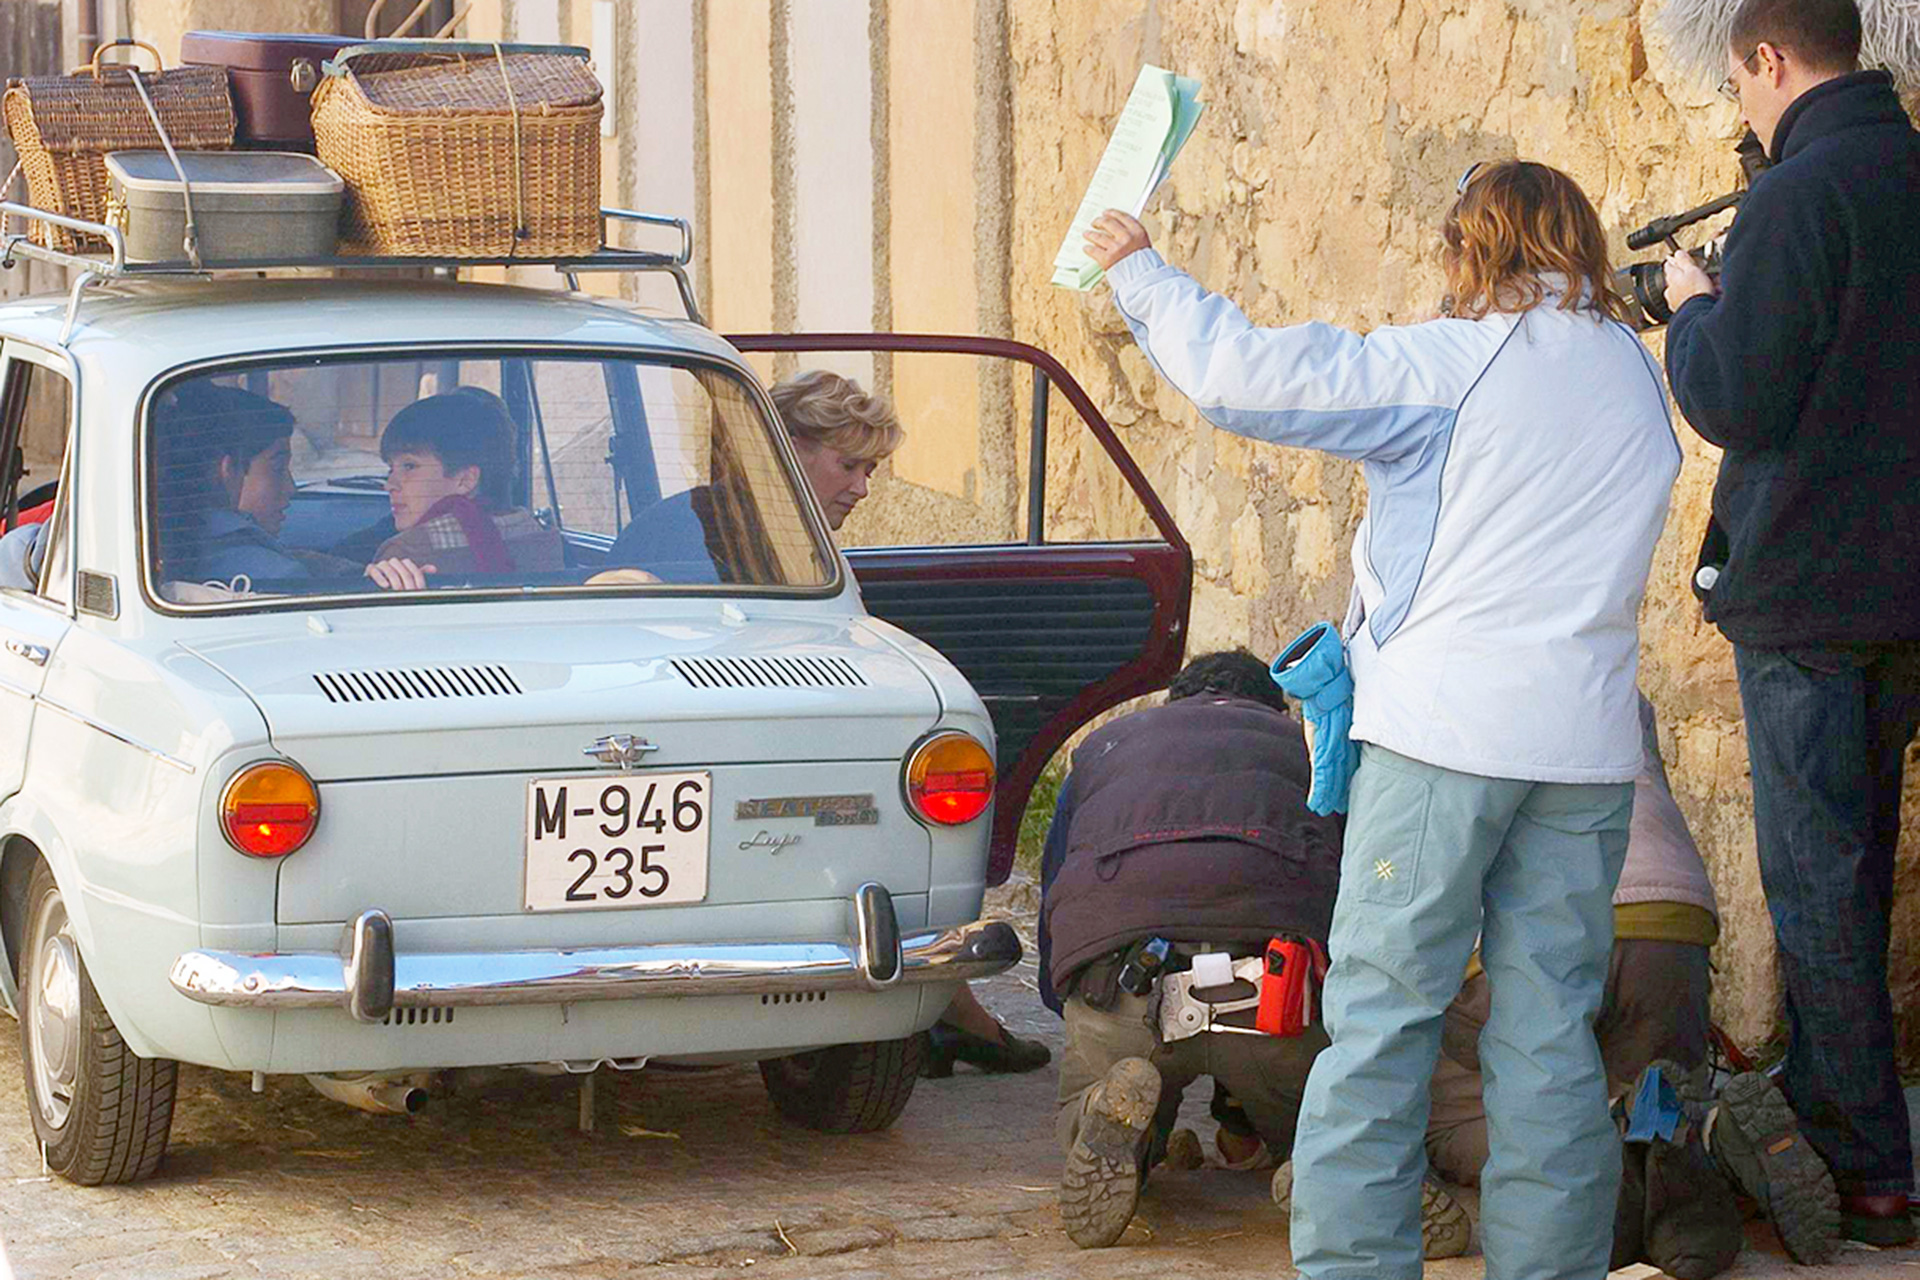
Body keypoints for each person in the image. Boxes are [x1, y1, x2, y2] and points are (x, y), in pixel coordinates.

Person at [1084, 160, 1678, 1280]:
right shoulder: (1633, 375)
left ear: (1475, 246)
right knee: (1549, 1031)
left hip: (1441, 739)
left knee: (1382, 1022)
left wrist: (1145, 275)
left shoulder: (1452, 361)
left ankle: (1356, 1261)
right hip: (1586, 747)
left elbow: (1254, 377)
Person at [1660, 0, 1920, 1249]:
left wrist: (1693, 304)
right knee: (1855, 866)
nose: (1744, 112)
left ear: (1768, 58)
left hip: (1809, 591)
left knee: (1817, 878)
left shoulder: (1797, 194)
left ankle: (1863, 1162)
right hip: (1903, 589)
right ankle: (1831, 1111)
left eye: (1741, 87)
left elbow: (1732, 394)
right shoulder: (1908, 166)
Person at [766, 369, 1047, 1074]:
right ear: (787, 448)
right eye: (848, 464)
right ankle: (950, 1011)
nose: (862, 488)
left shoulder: (797, 537)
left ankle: (948, 1008)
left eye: (871, 469)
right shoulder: (730, 528)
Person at [1423, 695, 1748, 1278]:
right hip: (1672, 926)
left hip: (1543, 934)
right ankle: (1703, 1138)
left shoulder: (1461, 676)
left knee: (1450, 1106)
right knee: (1647, 1091)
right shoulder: (1617, 679)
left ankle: (1594, 1162)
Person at [363, 388, 563, 591]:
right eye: (391, 468)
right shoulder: (542, 536)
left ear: (466, 480)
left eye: (409, 466)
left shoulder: (404, 554)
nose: (390, 484)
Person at [153, 382, 311, 586]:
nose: (291, 488)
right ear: (226, 470)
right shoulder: (279, 575)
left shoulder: (161, 548)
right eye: (278, 468)